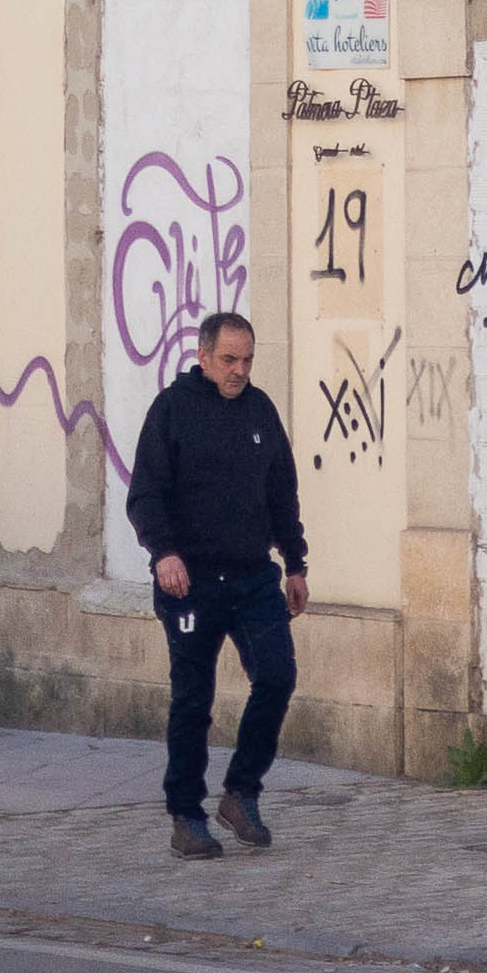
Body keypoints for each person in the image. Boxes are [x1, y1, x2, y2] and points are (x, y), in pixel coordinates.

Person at [127, 308, 306, 859]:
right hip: (192, 582)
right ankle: (186, 815)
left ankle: (241, 793)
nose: (239, 370)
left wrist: (296, 564)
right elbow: (145, 495)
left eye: (247, 360)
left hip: (253, 577)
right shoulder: (172, 411)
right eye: (229, 359)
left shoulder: (260, 411)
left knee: (277, 677)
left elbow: (282, 494)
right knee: (193, 700)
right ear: (203, 356)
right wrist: (165, 554)